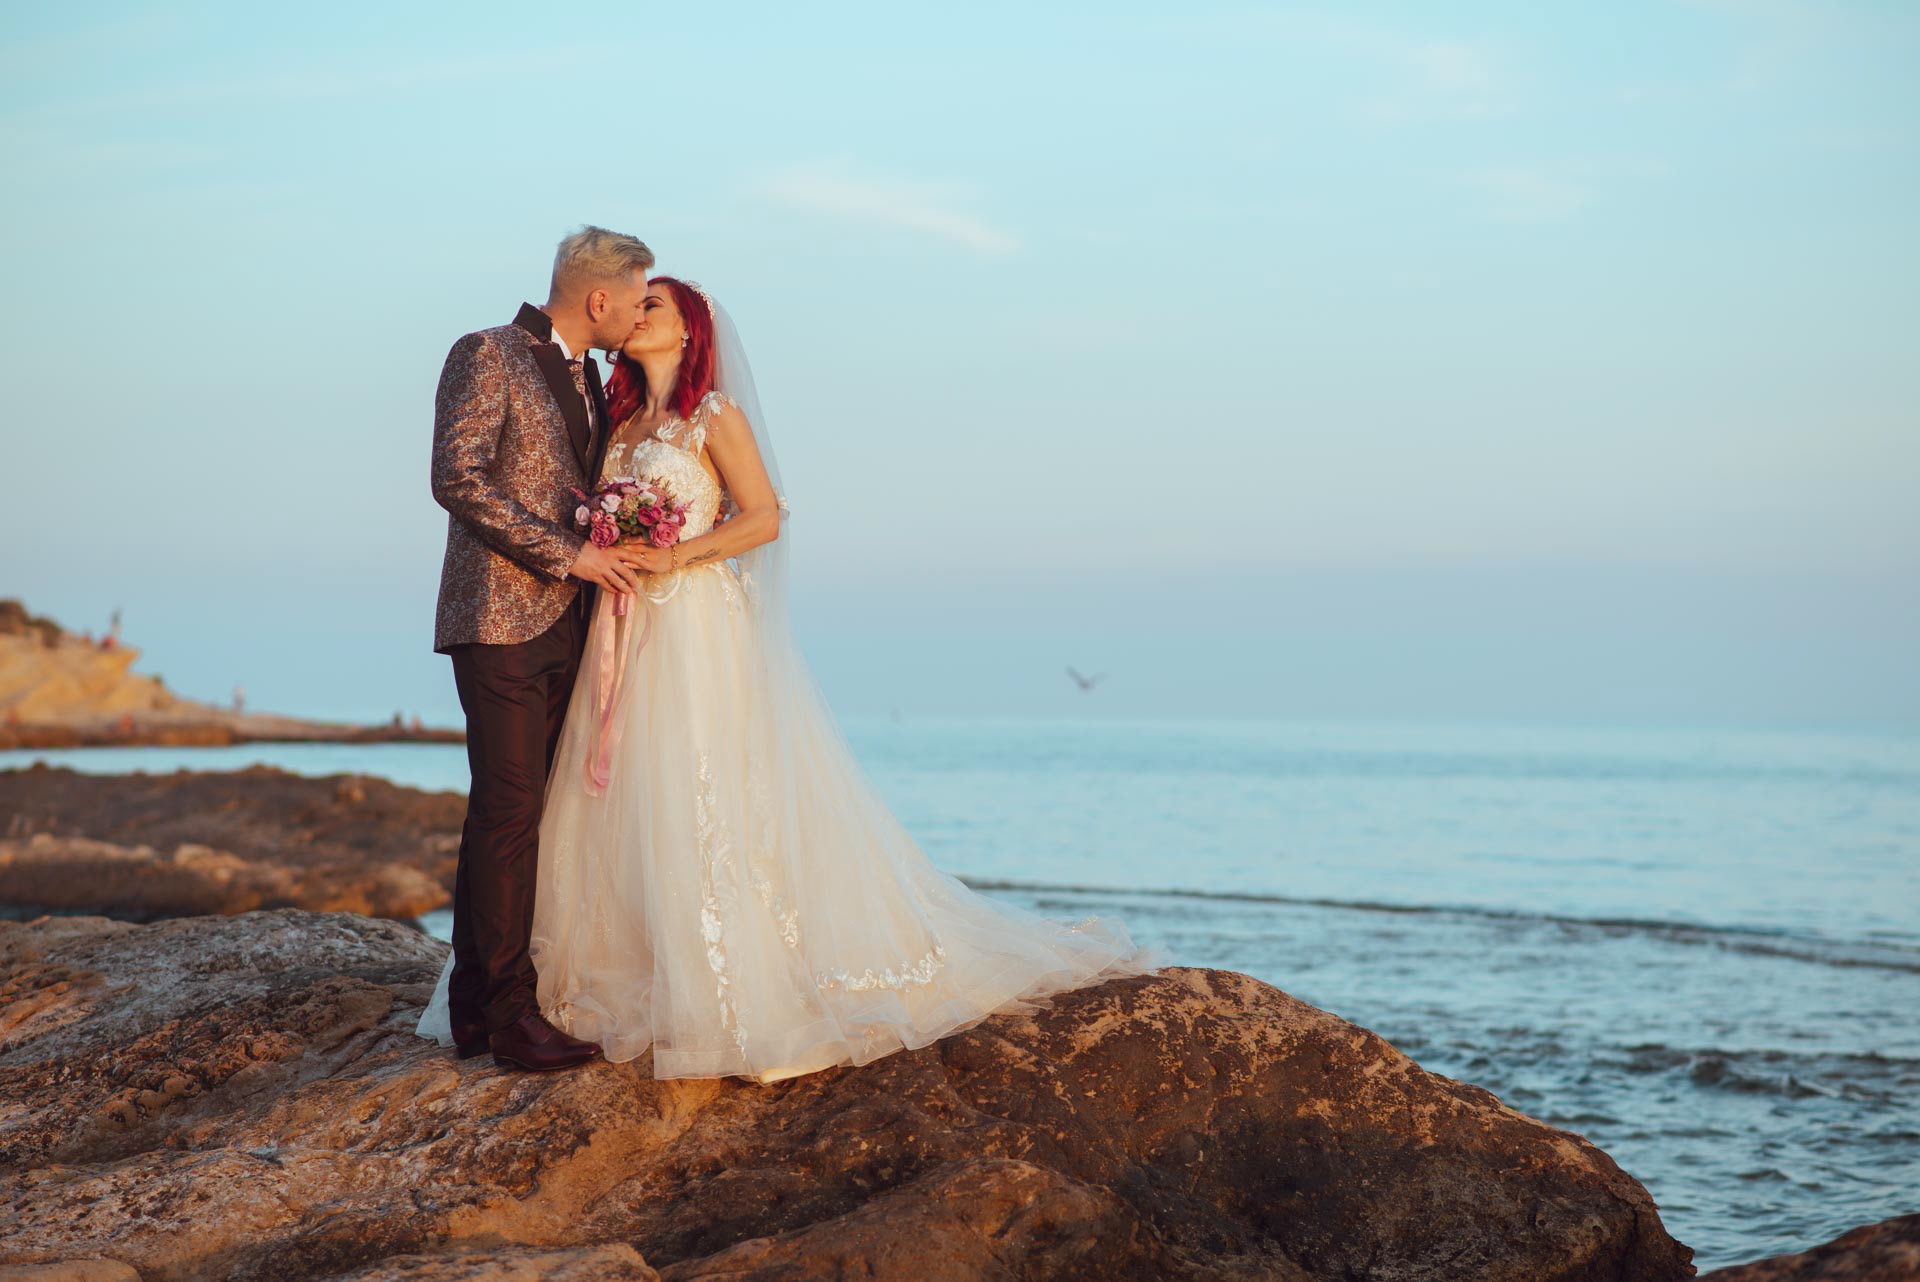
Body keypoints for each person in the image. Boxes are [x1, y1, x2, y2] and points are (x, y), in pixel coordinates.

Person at [417, 276, 1165, 1083]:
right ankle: (586, 971)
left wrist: (674, 554)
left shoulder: (715, 416)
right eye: (636, 302)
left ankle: (724, 980)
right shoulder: (618, 418)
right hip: (619, 625)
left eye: (654, 305)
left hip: (694, 622)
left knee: (698, 785)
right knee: (615, 794)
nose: (638, 314)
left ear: (689, 329)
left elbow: (765, 516)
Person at [422, 226, 656, 1072]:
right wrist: (573, 554)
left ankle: (476, 1010)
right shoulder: (487, 351)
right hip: (497, 616)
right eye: (635, 299)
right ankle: (513, 1019)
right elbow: (457, 478)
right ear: (599, 298)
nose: (639, 313)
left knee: (510, 811)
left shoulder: (595, 378)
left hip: (571, 625)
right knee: (512, 812)